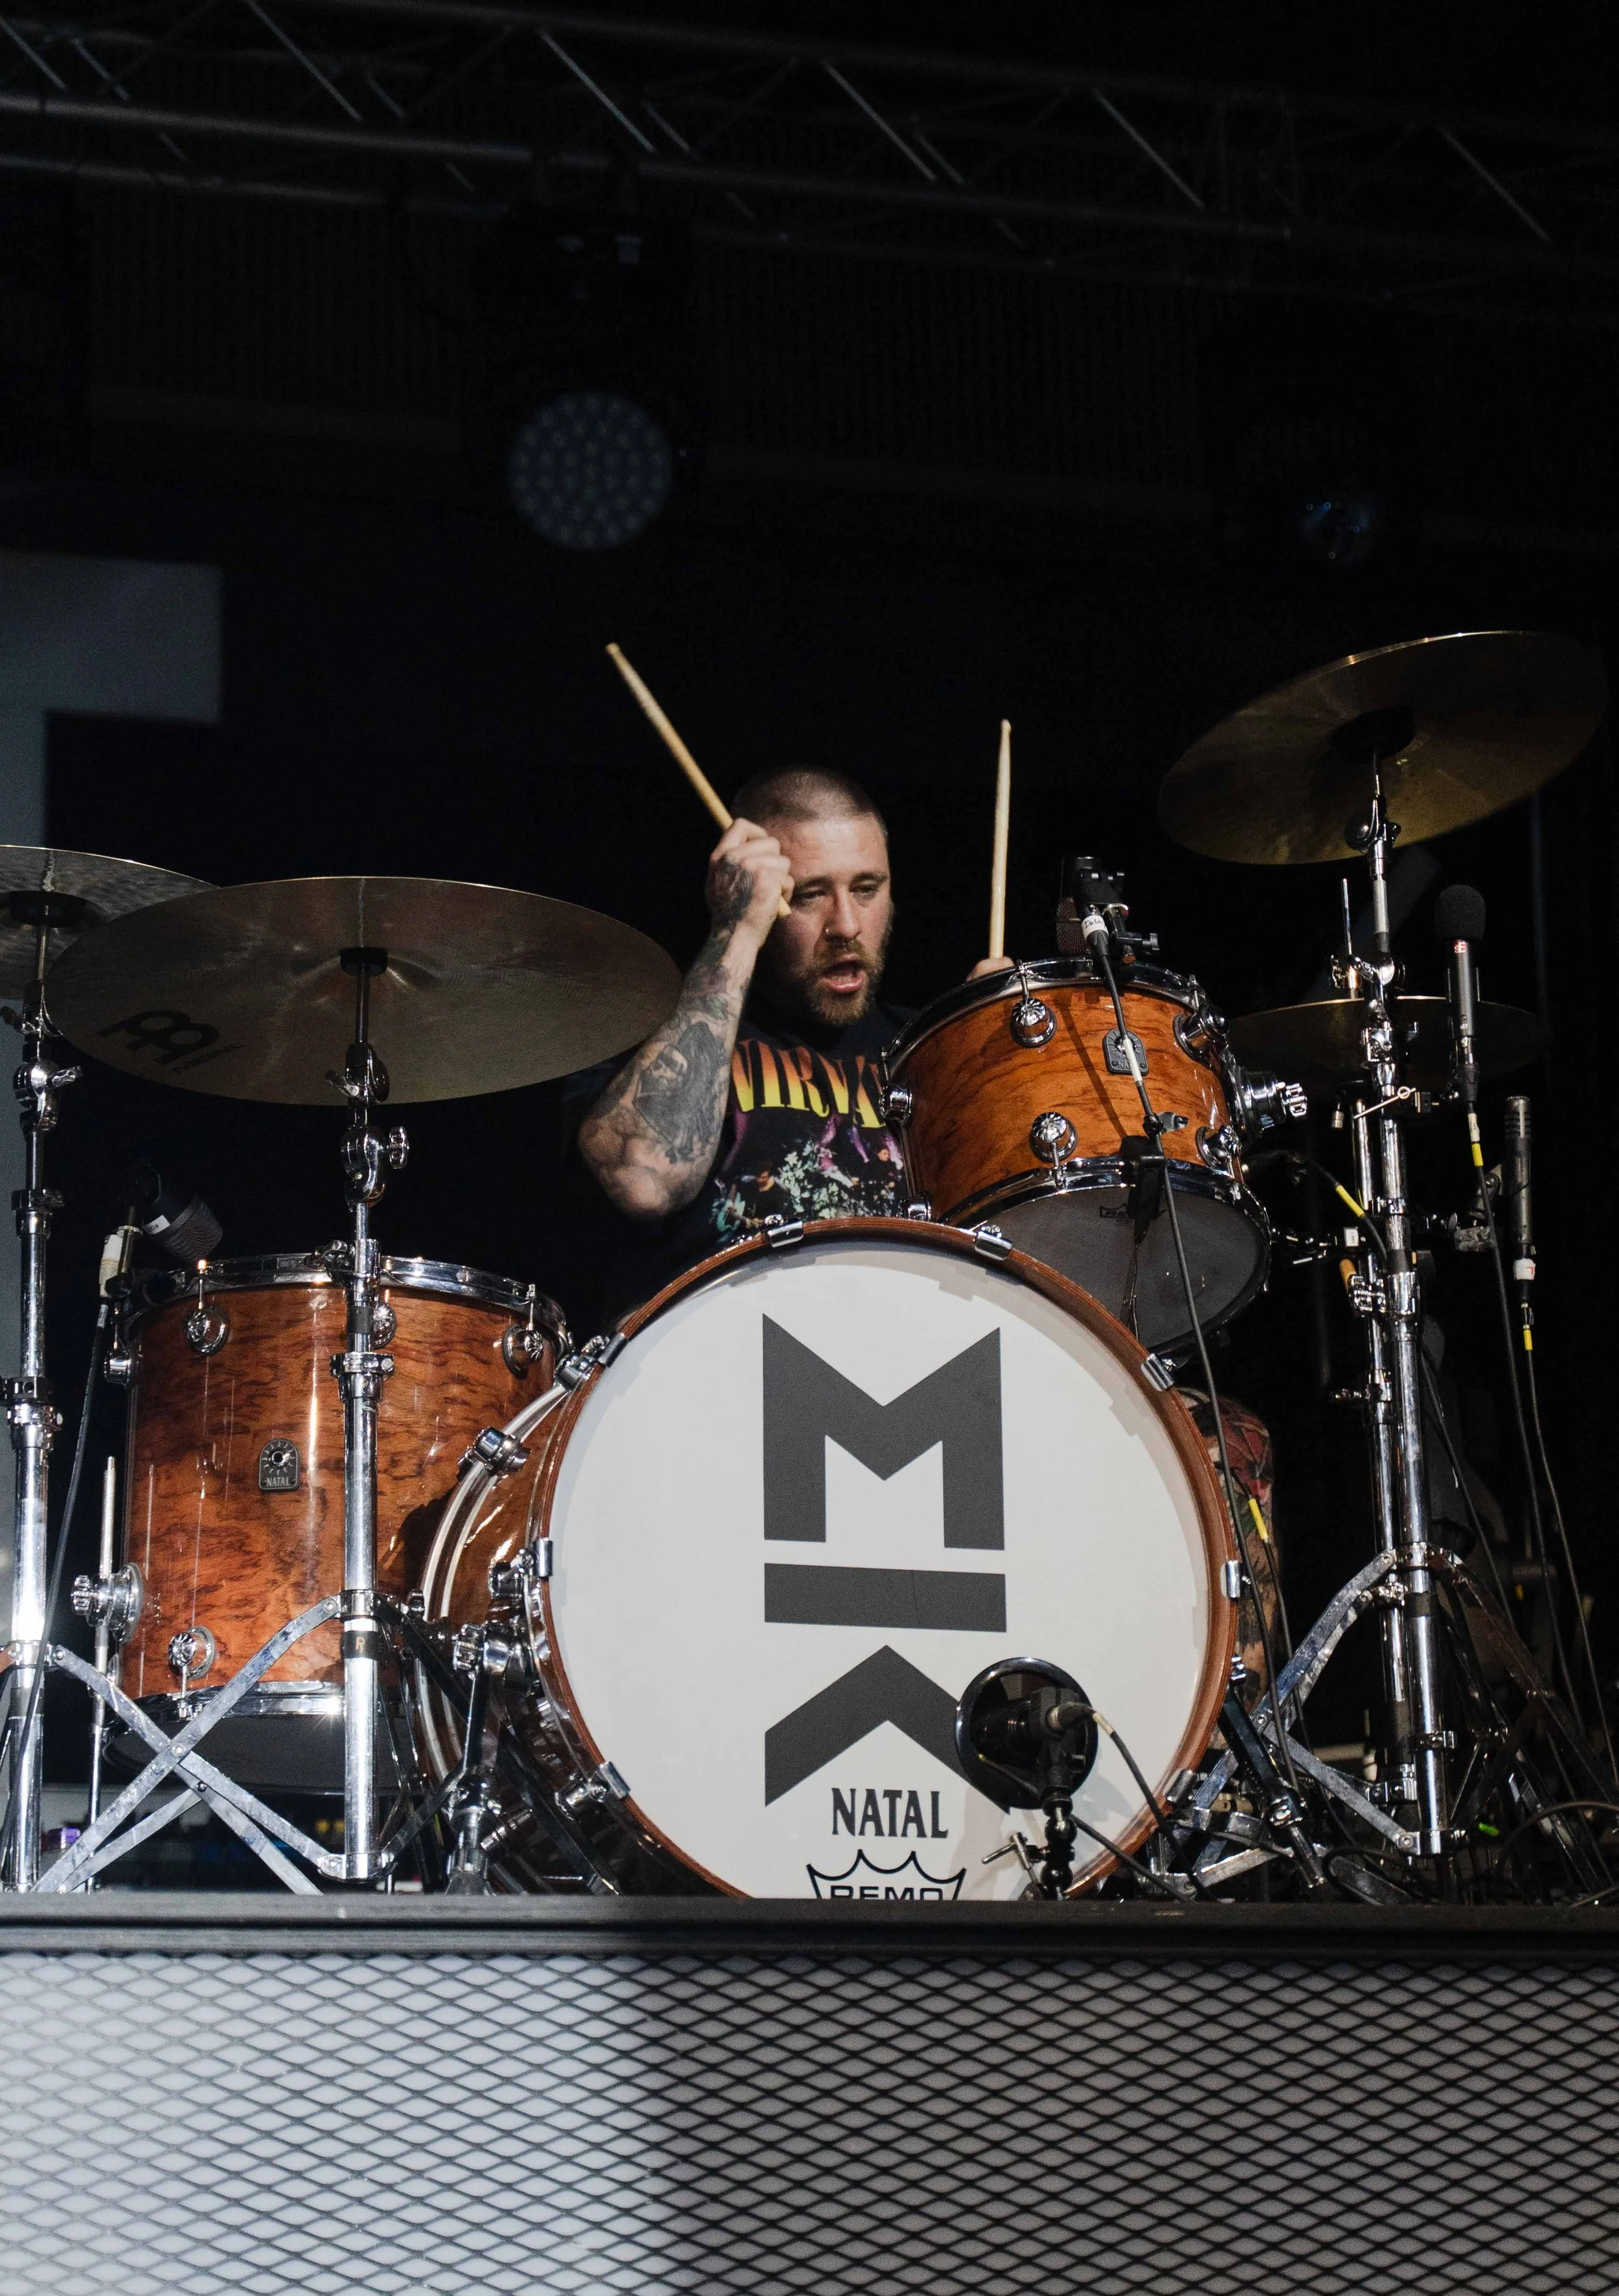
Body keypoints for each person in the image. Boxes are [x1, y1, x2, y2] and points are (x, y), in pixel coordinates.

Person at [567, 767, 912, 1311]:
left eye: (867, 889)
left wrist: (992, 1047)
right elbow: (643, 1183)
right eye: (809, 895)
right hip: (721, 1350)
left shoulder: (925, 1047)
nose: (846, 924)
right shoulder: (657, 1037)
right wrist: (738, 930)